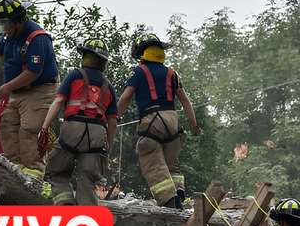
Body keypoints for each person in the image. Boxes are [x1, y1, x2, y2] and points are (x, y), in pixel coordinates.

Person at [0, 0, 59, 173]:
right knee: (7, 128)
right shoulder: (10, 35)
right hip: (18, 91)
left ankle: (36, 175)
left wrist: (7, 87)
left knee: (29, 132)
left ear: (20, 21)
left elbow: (33, 71)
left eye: (6, 25)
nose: (4, 30)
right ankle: (16, 170)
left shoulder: (37, 38)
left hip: (40, 90)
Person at [117, 34, 202, 209]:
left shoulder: (138, 71)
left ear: (143, 53)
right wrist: (194, 126)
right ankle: (178, 195)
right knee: (172, 165)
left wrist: (113, 117)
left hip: (152, 120)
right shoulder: (172, 73)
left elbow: (125, 98)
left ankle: (169, 202)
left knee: (152, 162)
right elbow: (185, 100)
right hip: (173, 121)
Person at [37, 39, 118, 205]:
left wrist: (44, 128)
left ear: (84, 58)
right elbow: (113, 123)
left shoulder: (74, 76)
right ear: (103, 62)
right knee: (88, 181)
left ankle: (65, 207)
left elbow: (58, 102)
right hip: (97, 135)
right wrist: (108, 151)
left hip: (72, 130)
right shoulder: (108, 87)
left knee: (57, 172)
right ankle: (87, 222)